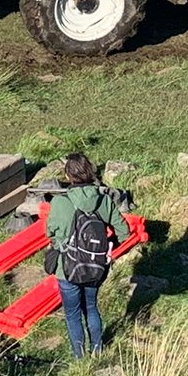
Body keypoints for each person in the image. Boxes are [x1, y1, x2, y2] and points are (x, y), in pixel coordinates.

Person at [46, 153, 130, 358]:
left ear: (68, 174)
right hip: (96, 267)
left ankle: (79, 356)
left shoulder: (60, 202)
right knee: (91, 307)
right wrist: (106, 248)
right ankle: (98, 350)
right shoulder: (104, 199)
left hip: (67, 269)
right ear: (90, 171)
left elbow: (50, 232)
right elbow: (124, 232)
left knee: (72, 314)